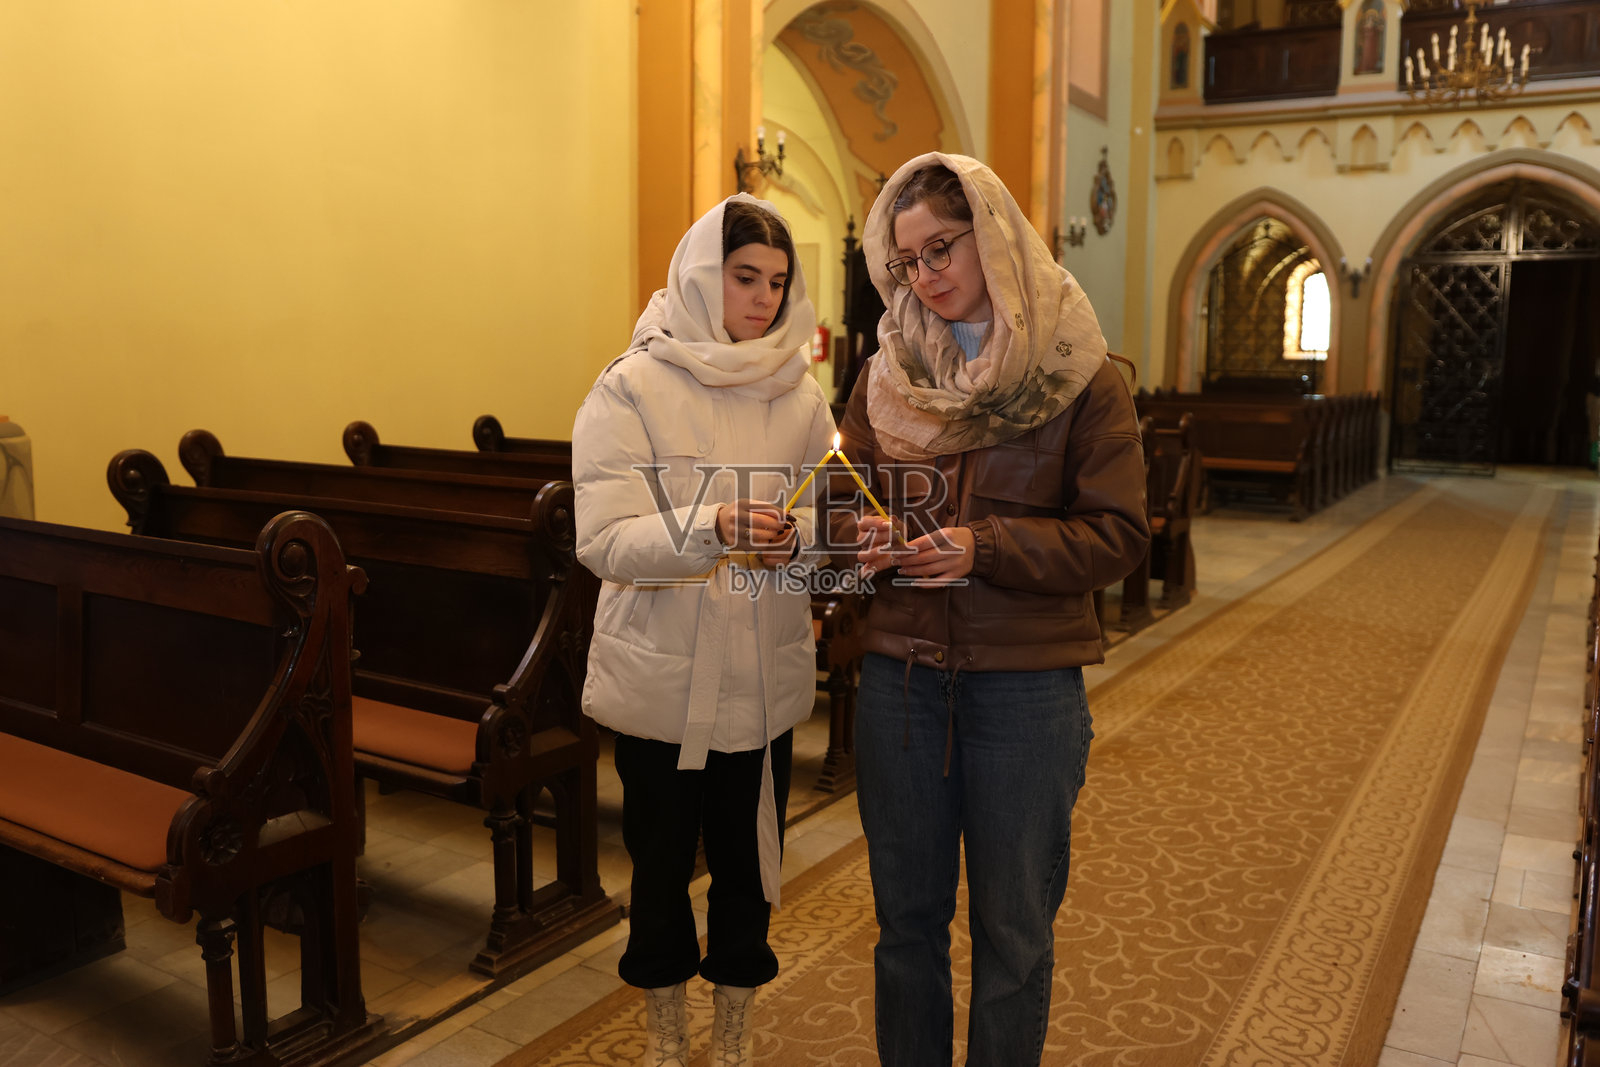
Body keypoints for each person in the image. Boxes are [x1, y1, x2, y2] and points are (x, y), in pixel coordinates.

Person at [834, 154, 1150, 1065]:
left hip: (1025, 689)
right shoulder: (886, 374)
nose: (926, 276)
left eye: (941, 248)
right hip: (899, 680)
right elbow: (842, 497)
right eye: (906, 264)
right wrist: (862, 533)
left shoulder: (1083, 375)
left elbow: (1119, 534)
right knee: (906, 924)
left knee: (1013, 935)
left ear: (996, 237)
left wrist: (988, 546)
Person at [572, 194, 835, 1067]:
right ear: (700, 273)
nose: (762, 297)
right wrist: (713, 526)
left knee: (748, 864)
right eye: (744, 276)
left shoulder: (801, 396)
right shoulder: (632, 384)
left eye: (777, 282)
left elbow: (830, 528)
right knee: (658, 866)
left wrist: (800, 540)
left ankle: (733, 1027)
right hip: (666, 675)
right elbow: (603, 539)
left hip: (761, 675)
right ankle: (663, 1027)